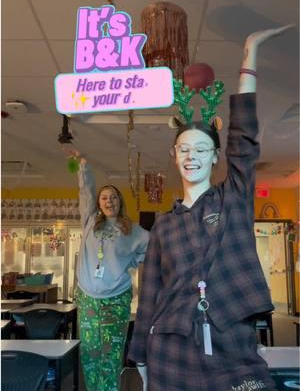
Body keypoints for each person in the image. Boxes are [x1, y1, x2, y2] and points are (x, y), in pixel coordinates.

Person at [128, 25, 293, 391]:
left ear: (216, 156)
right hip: (170, 348)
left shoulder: (231, 198)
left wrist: (249, 56)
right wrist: (139, 356)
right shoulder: (163, 227)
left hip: (232, 339)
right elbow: (150, 293)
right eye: (184, 149)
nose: (192, 156)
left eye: (201, 149)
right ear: (174, 157)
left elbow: (244, 140)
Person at [70, 151, 149, 391]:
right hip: (88, 298)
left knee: (112, 354)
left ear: (120, 201)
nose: (108, 201)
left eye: (113, 197)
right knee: (90, 354)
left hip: (116, 299)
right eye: (104, 197)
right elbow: (85, 194)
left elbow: (152, 251)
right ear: (99, 203)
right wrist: (84, 166)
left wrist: (136, 262)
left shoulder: (133, 230)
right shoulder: (90, 222)